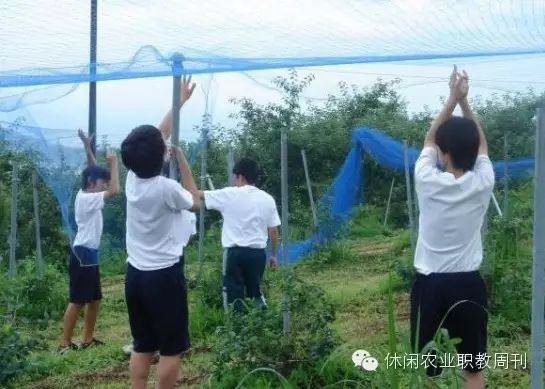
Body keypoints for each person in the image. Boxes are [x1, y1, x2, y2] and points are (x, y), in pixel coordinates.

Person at [410, 66, 494, 389]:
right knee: (472, 369)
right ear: (473, 152)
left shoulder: (427, 180)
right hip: (468, 286)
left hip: (430, 285)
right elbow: (482, 147)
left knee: (428, 370)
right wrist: (465, 104)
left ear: (443, 154)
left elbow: (430, 138)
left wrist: (451, 99)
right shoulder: (483, 182)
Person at [122, 75, 196, 358]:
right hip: (164, 274)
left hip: (135, 275)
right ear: (162, 156)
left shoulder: (132, 179)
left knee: (143, 346)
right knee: (171, 351)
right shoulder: (167, 188)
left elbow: (156, 136)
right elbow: (194, 201)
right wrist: (183, 162)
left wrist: (178, 103)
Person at [58, 130, 120, 353]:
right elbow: (115, 191)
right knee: (77, 300)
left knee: (94, 300)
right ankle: (64, 344)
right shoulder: (87, 199)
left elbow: (92, 172)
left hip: (89, 254)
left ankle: (87, 340)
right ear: (92, 183)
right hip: (83, 254)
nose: (104, 185)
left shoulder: (88, 192)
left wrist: (88, 148)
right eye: (102, 182)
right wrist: (114, 163)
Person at [194, 158, 280, 311]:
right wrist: (273, 255)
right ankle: (263, 322)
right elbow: (273, 231)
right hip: (258, 254)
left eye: (235, 177)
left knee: (233, 295)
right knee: (255, 292)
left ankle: (235, 327)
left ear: (240, 176)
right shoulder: (268, 199)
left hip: (235, 254)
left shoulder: (230, 194)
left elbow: (197, 194)